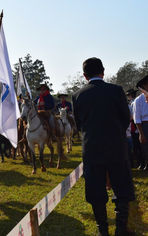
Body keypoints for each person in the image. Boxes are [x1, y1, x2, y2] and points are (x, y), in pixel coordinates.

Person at [72, 57, 135, 236]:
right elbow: (125, 119)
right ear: (103, 71)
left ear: (85, 76)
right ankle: (121, 229)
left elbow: (78, 125)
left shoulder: (77, 95)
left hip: (91, 151)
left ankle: (103, 231)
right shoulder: (116, 90)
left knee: (96, 191)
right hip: (117, 148)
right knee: (122, 189)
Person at [132, 75, 148, 171]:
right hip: (145, 125)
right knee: (146, 147)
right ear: (144, 86)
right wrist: (141, 133)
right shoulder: (138, 100)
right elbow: (137, 119)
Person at [127, 88, 145, 169]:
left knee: (138, 147)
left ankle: (141, 162)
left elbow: (135, 117)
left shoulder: (134, 103)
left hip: (137, 127)